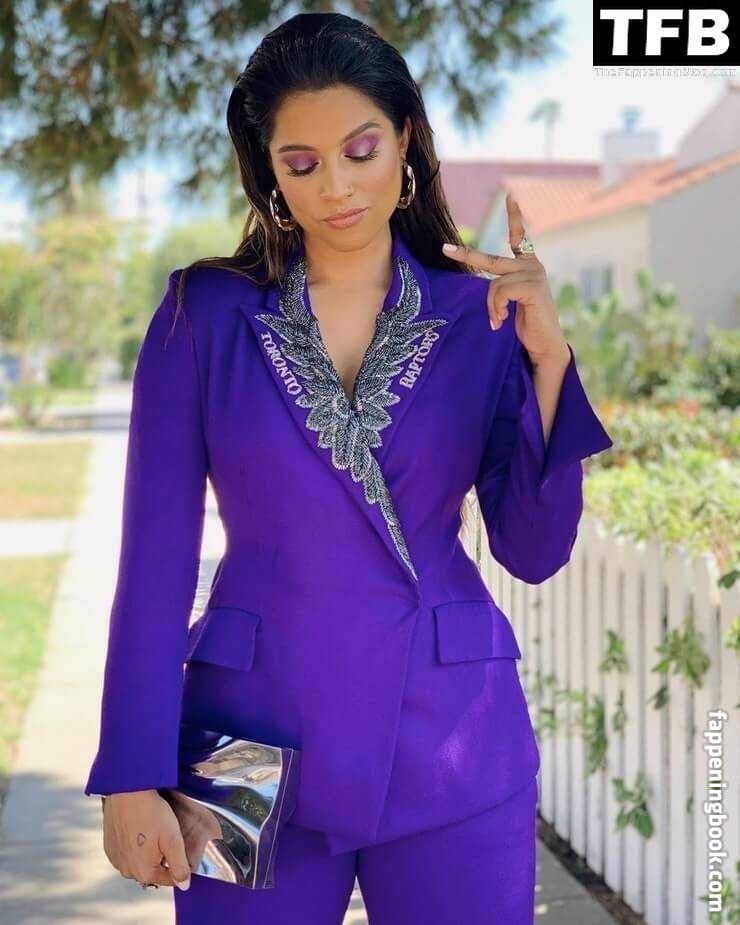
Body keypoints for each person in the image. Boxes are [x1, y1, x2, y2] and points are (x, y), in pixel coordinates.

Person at [85, 11, 613, 924]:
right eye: (301, 163)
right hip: (245, 749)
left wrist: (550, 361)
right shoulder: (202, 316)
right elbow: (153, 564)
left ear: (405, 140)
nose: (335, 185)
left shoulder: (482, 316)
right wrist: (132, 772)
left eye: (360, 150)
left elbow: (533, 549)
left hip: (453, 737)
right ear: (268, 172)